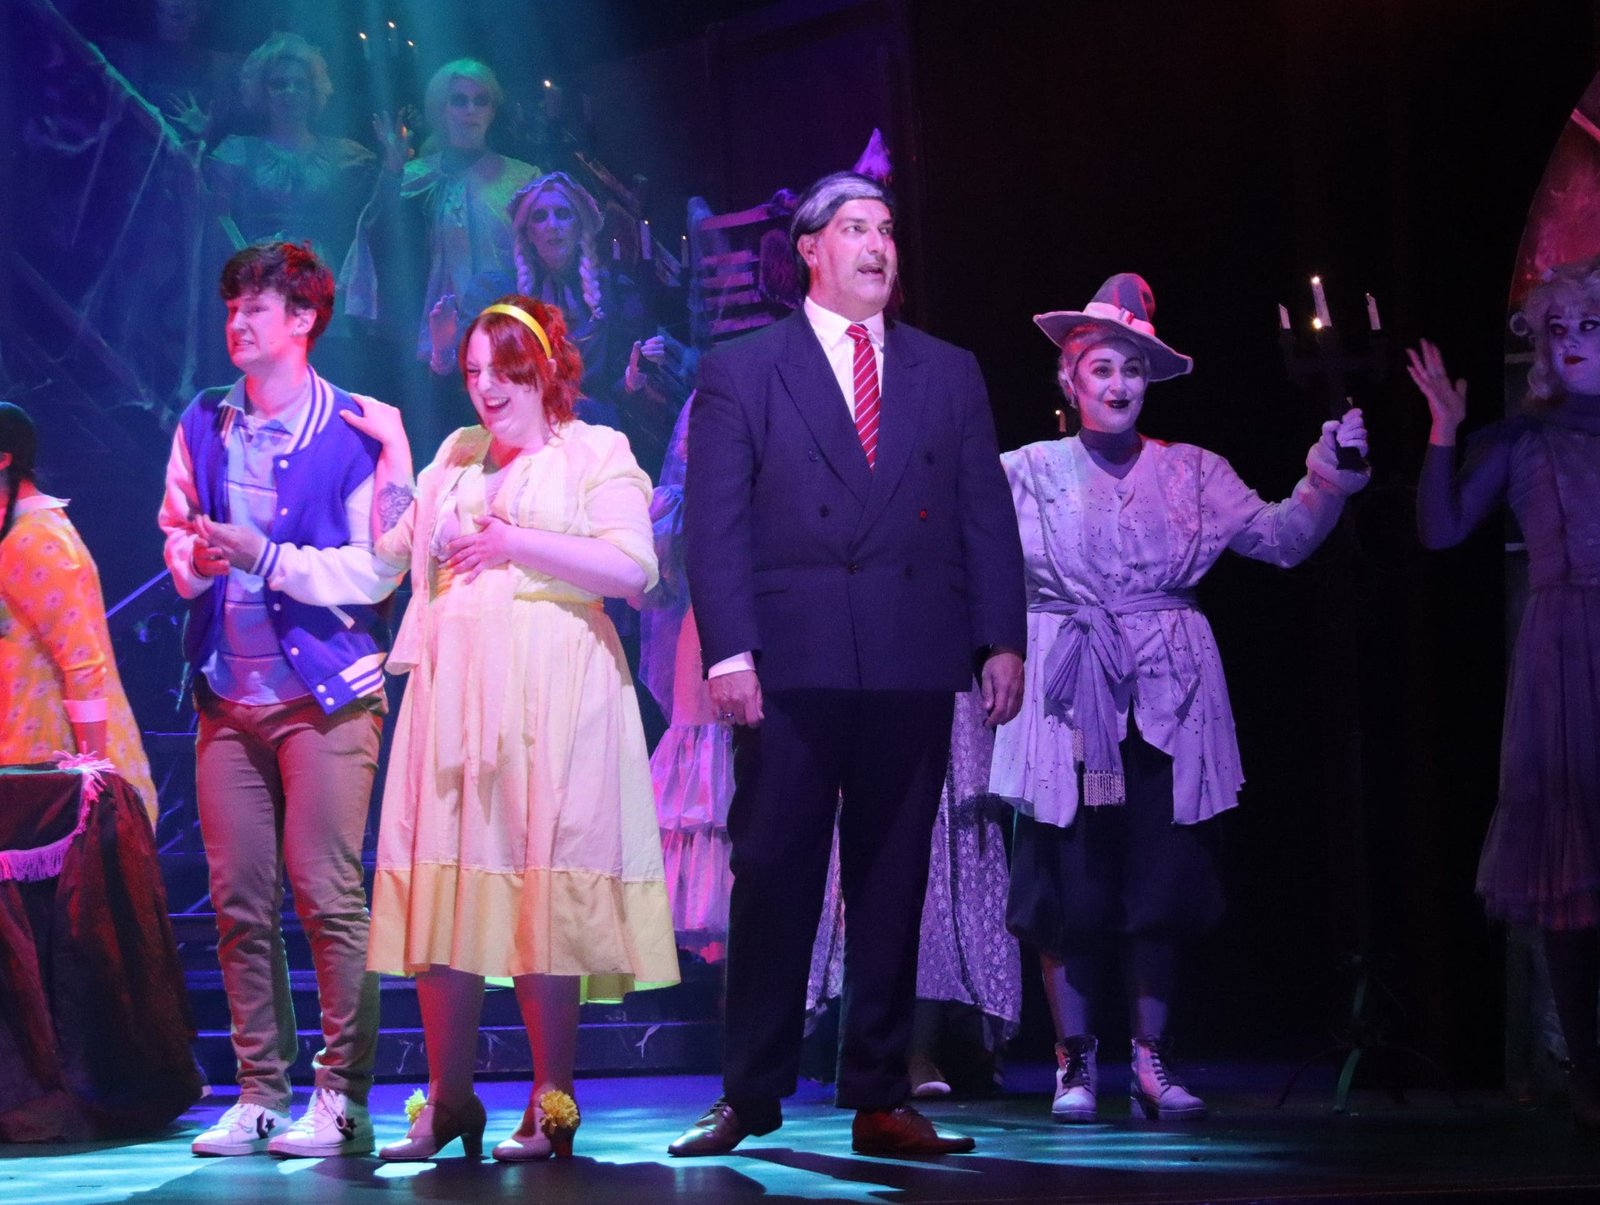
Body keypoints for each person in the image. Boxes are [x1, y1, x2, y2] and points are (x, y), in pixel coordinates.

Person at [670, 170, 1027, 1158]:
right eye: (857, 227)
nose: (878, 244)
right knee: (771, 870)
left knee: (892, 877)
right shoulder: (744, 368)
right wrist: (729, 651)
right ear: (810, 249)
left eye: (887, 229)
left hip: (910, 649)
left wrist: (1000, 636)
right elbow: (716, 526)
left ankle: (878, 1090)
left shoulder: (946, 370)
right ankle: (749, 1091)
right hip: (792, 659)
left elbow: (983, 513)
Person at [990, 273, 1369, 1124]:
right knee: (1070, 879)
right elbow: (971, 555)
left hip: (1168, 701)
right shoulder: (1025, 472)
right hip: (1069, 703)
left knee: (1160, 880)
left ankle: (1152, 1059)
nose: (1119, 383)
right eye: (1102, 368)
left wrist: (1330, 479)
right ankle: (1075, 1060)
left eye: (1132, 368)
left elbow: (1279, 538)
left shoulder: (1193, 471)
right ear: (1069, 380)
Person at [343, 296, 679, 1162]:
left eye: (505, 369)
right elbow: (385, 553)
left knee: (542, 893)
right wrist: (395, 450)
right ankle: (449, 1099)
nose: (487, 387)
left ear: (545, 367)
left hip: (554, 699)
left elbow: (633, 568)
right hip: (454, 698)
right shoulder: (456, 458)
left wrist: (513, 543)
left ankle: (550, 1101)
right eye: (473, 372)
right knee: (446, 891)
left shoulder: (594, 450)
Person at [158, 241, 403, 1158]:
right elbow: (175, 532)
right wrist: (196, 559)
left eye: (255, 308)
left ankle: (343, 1098)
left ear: (302, 319)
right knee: (237, 900)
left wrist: (265, 556)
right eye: (232, 309)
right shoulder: (204, 419)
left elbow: (376, 570)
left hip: (326, 695)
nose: (238, 324)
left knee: (326, 892)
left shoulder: (354, 427)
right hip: (230, 692)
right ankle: (261, 1092)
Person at [1408, 254, 1600, 1130]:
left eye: (1590, 326)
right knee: (1571, 868)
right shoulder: (1522, 440)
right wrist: (1445, 428)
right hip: (1562, 656)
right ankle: (1588, 1071)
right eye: (1559, 329)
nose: (1573, 342)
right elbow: (1442, 528)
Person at [0, 402, 158, 822]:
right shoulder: (20, 531)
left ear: (4, 460)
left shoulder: (34, 539)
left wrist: (93, 778)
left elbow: (83, 662)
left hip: (48, 764)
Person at [208, 33, 375, 266]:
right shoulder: (239, 152)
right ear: (262, 91)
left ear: (313, 90)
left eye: (300, 84)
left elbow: (377, 217)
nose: (290, 91)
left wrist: (393, 170)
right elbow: (217, 222)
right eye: (279, 84)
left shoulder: (341, 153)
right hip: (259, 272)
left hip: (317, 271)